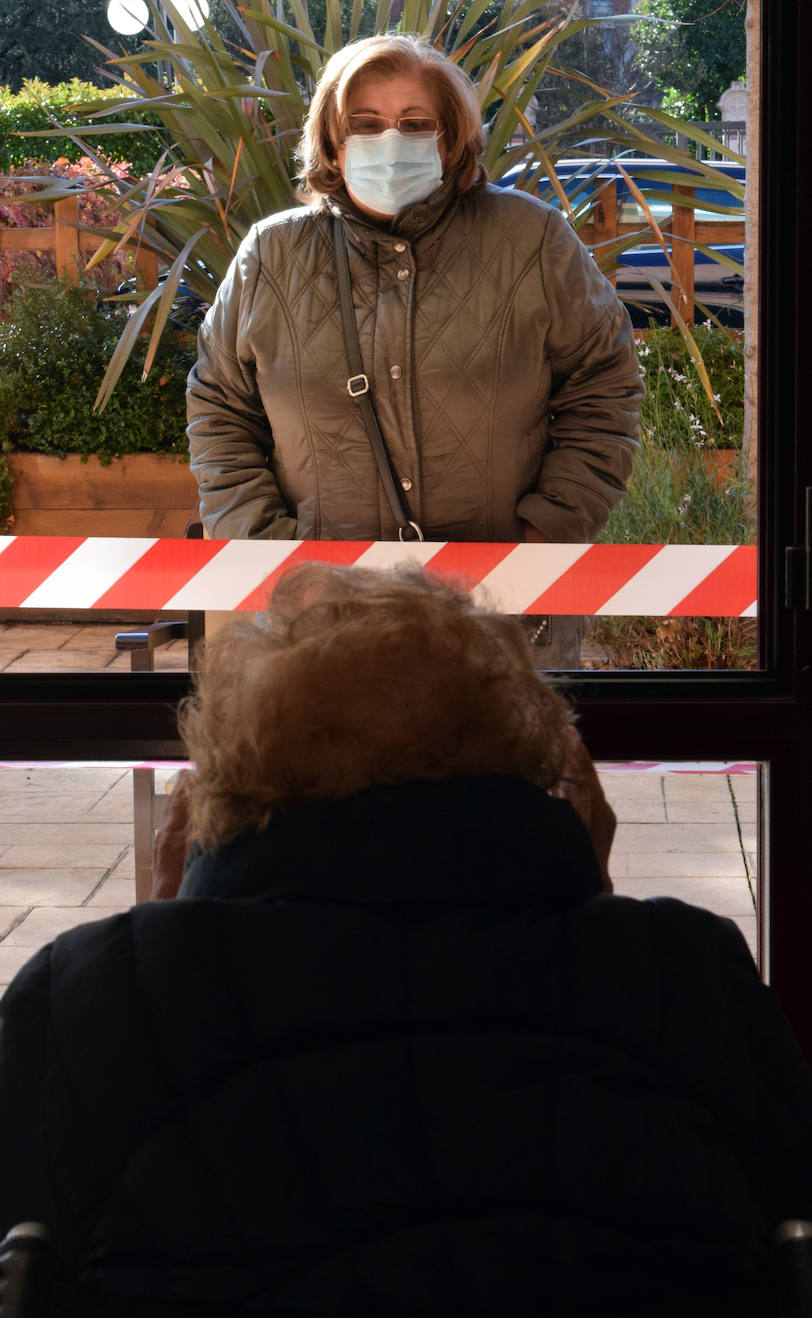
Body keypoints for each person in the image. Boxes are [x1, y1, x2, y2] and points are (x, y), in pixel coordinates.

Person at [1, 562, 812, 1318]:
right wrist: (582, 893)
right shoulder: (688, 975)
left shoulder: (85, 1000)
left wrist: (166, 931)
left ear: (217, 791)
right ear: (543, 772)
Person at [186, 32, 644, 666]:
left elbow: (606, 386)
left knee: (498, 766)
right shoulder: (270, 256)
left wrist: (543, 535)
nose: (390, 142)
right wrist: (273, 556)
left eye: (414, 123)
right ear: (332, 141)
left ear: (451, 138)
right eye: (366, 124)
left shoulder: (532, 239)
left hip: (501, 623)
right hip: (317, 629)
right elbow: (218, 410)